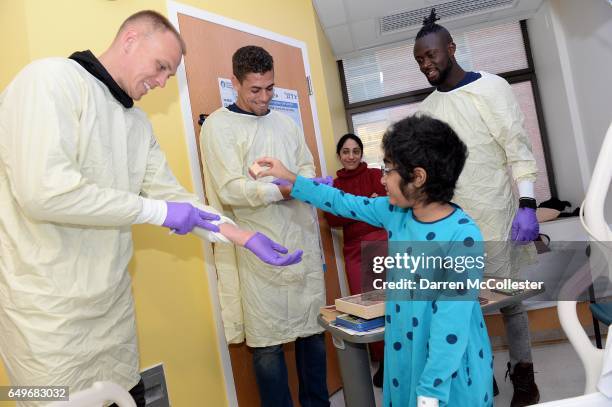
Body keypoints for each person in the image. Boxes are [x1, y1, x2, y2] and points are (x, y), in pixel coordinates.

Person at [0, 11, 302, 407]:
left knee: (124, 395)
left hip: (111, 310)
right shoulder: (49, 80)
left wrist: (242, 236)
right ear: (130, 39)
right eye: (160, 67)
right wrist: (154, 212)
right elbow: (43, 191)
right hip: (43, 317)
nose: (161, 82)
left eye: (169, 75)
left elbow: (176, 199)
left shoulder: (136, 122)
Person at [256, 114, 494, 407]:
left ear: (418, 177)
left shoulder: (463, 237)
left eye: (389, 169)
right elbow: (342, 202)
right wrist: (293, 179)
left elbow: (450, 328)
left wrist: (431, 390)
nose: (381, 178)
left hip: (447, 368)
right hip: (404, 352)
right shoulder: (395, 213)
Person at [413, 9, 540, 406]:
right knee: (461, 307)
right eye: (419, 60)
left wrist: (528, 203)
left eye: (431, 55)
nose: (426, 65)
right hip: (453, 226)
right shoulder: (429, 109)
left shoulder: (491, 87)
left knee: (510, 304)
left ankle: (524, 378)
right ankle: (478, 373)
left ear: (451, 48)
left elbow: (517, 148)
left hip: (498, 214)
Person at [199, 45, 329, 406]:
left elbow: (304, 167)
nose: (264, 97)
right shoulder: (218, 127)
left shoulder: (285, 123)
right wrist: (281, 191)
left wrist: (302, 184)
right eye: (255, 89)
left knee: (312, 336)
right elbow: (228, 188)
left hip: (299, 238)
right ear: (235, 83)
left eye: (270, 88)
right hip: (259, 248)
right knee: (268, 347)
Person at [324, 133, 387, 386]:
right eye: (346, 151)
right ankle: (382, 360)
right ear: (339, 155)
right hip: (352, 250)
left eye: (356, 151)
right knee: (364, 306)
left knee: (386, 301)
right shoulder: (334, 186)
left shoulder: (374, 175)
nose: (351, 156)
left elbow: (386, 206)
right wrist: (365, 206)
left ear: (361, 154)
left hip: (381, 244)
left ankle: (395, 358)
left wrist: (350, 209)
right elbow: (333, 220)